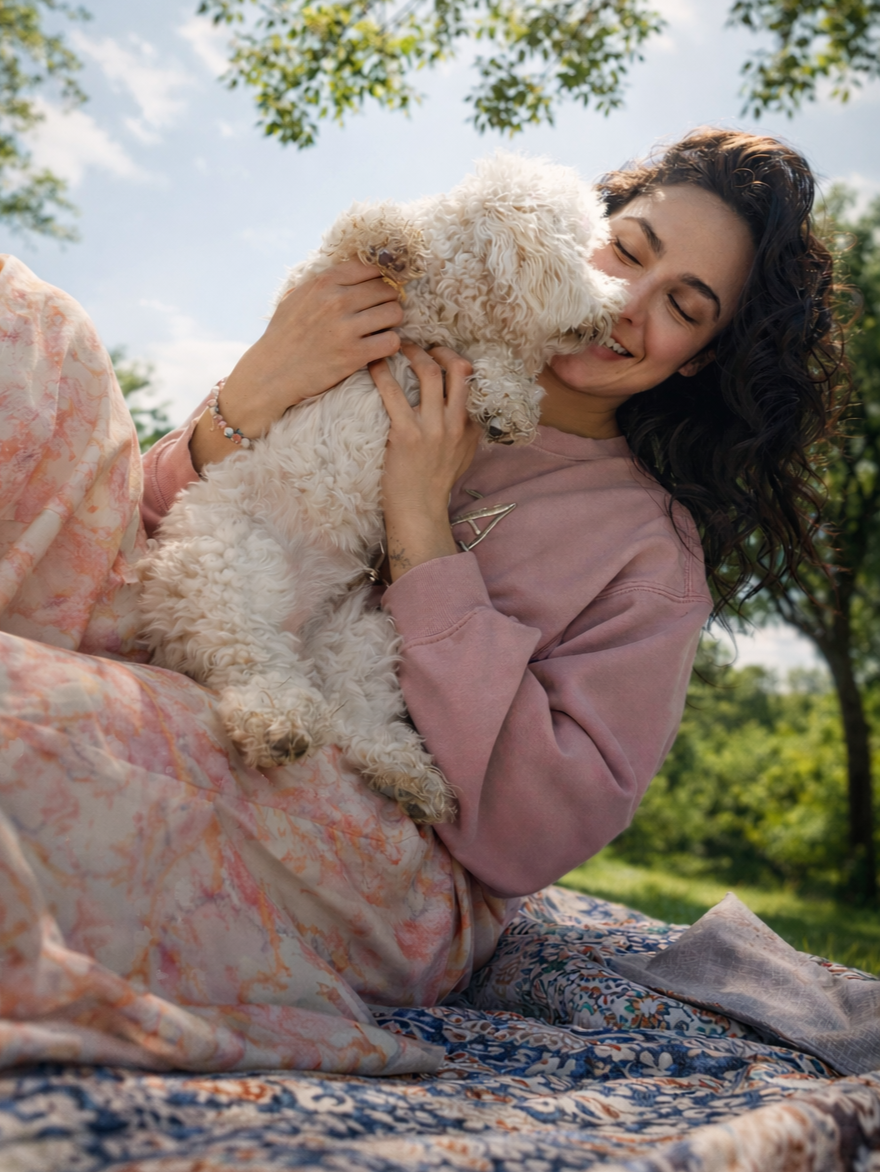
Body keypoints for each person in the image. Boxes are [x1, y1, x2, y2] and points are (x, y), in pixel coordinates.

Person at [0, 126, 840, 1073]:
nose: (624, 305)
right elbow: (153, 527)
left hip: (374, 824)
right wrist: (258, 384)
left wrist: (420, 526)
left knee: (27, 727)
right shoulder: (390, 329)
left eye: (682, 306)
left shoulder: (649, 552)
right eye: (628, 250)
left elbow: (530, 836)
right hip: (185, 628)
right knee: (31, 322)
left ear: (698, 357)